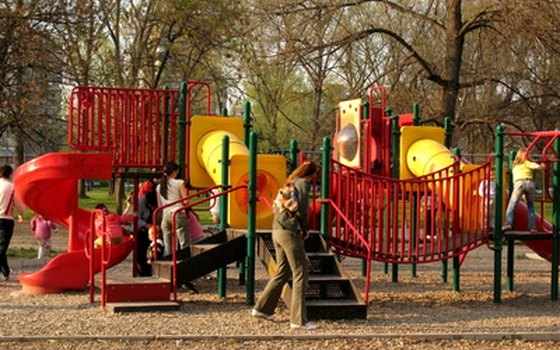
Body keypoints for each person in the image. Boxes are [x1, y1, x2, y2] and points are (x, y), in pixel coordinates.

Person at [251, 161, 319, 330]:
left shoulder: (290, 182)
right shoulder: (303, 183)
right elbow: (303, 208)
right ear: (311, 174)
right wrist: (305, 228)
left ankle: (262, 308)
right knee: (300, 272)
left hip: (277, 230)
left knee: (282, 271)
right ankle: (298, 320)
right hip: (290, 231)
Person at [502, 148, 544, 233]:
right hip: (530, 183)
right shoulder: (527, 163)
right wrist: (542, 166)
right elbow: (537, 166)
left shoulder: (515, 166)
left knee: (512, 205)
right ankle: (532, 227)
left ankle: (509, 223)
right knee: (531, 206)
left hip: (519, 184)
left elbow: (515, 179)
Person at [156, 162, 190, 257]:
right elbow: (186, 201)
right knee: (184, 241)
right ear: (175, 171)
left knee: (167, 243)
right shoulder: (179, 183)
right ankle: (185, 259)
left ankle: (168, 261)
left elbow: (160, 205)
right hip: (178, 212)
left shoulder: (159, 187)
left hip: (166, 215)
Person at [0, 164, 25, 281]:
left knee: (1, 249)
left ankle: (6, 272)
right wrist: (21, 214)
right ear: (10, 174)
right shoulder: (12, 187)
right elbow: (19, 205)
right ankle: (5, 272)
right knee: (2, 247)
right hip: (5, 219)